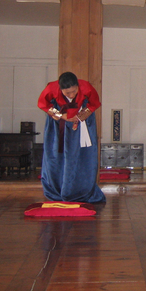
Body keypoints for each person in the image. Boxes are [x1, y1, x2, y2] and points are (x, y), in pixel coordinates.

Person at [37, 72, 106, 204]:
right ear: (60, 89)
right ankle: (57, 189)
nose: (71, 95)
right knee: (57, 155)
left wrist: (85, 114)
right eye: (67, 93)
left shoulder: (86, 87)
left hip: (81, 121)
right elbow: (42, 104)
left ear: (78, 86)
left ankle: (81, 190)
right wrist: (60, 116)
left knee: (80, 156)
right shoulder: (51, 88)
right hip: (59, 123)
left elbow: (95, 103)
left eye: (74, 91)